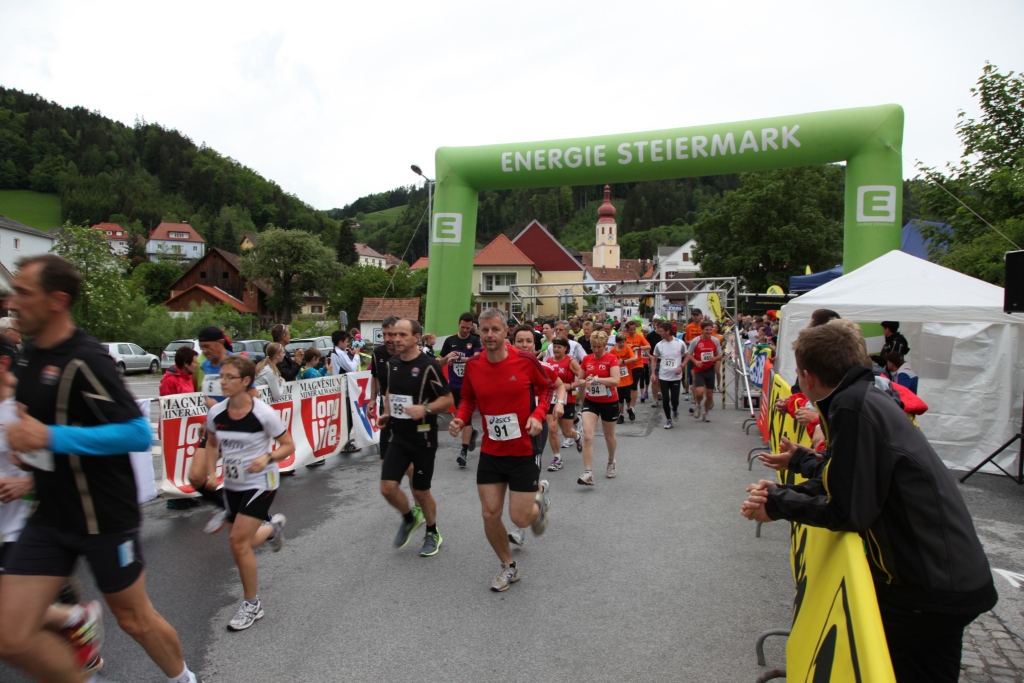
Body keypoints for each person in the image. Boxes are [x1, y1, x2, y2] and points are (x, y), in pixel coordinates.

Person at [742, 322, 996, 683]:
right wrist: (797, 467)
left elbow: (848, 509)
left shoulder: (851, 406)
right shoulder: (863, 395)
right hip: (948, 574)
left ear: (807, 377)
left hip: (926, 584)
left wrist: (778, 503)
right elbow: (847, 475)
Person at [0, 254, 201, 683]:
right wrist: (25, 451)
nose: (12, 301)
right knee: (10, 635)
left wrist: (48, 438)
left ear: (57, 300)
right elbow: (39, 424)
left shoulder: (87, 359)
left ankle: (184, 679)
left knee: (134, 619)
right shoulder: (29, 352)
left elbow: (136, 433)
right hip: (50, 513)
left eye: (23, 293)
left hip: (103, 516)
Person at [0, 333, 105, 675]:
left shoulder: (25, 404)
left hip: (24, 523)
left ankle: (72, 619)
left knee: (11, 623)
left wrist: (27, 483)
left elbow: (68, 463)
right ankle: (70, 625)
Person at [448, 308, 553, 592]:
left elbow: (547, 389)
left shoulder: (525, 360)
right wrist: (460, 418)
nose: (489, 335)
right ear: (479, 332)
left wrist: (538, 415)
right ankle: (509, 566)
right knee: (489, 514)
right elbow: (468, 399)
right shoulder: (474, 365)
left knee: (520, 518)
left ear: (506, 331)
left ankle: (539, 499)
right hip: (492, 451)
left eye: (495, 329)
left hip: (523, 450)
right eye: (484, 330)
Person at [205, 355, 293, 631]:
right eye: (221, 376)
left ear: (245, 381)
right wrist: (211, 473)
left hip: (262, 482)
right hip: (233, 483)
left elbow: (288, 445)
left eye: (229, 377)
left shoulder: (263, 413)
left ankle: (252, 604)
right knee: (245, 541)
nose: (223, 382)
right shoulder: (216, 413)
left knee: (237, 542)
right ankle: (272, 528)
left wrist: (267, 457)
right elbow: (211, 443)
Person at [378, 319, 453, 557]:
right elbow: (390, 391)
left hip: (423, 437)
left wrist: (425, 409)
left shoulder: (428, 365)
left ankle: (432, 531)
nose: (396, 339)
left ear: (416, 337)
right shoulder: (392, 363)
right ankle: (409, 518)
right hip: (398, 435)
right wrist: (387, 413)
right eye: (394, 335)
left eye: (402, 335)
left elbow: (448, 399)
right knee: (387, 488)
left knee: (421, 492)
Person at [577, 330, 621, 484]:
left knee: (609, 436)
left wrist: (597, 379)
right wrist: (586, 381)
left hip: (609, 402)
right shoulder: (586, 359)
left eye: (599, 347)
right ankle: (588, 473)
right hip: (591, 402)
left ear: (605, 345)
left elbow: (616, 380)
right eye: (593, 346)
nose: (595, 350)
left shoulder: (611, 359)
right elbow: (579, 380)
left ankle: (611, 461)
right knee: (588, 436)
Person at [438, 312, 481, 467]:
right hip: (454, 386)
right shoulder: (450, 341)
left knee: (466, 418)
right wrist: (448, 358)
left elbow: (476, 360)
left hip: (469, 386)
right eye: (463, 327)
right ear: (458, 324)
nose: (465, 330)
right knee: (461, 417)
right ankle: (472, 433)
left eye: (468, 328)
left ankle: (463, 452)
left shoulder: (474, 340)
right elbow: (441, 363)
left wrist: (460, 358)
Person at [545, 337, 583, 472]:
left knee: (567, 432)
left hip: (568, 399)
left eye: (559, 347)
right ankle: (557, 458)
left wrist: (570, 385)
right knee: (552, 429)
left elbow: (583, 379)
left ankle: (577, 436)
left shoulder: (570, 362)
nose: (556, 349)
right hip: (551, 399)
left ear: (566, 348)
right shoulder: (548, 362)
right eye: (554, 347)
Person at [684, 321, 723, 422]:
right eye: (707, 330)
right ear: (702, 330)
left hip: (710, 369)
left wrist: (715, 358)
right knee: (700, 392)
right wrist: (696, 362)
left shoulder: (715, 340)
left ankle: (706, 413)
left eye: (710, 330)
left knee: (709, 394)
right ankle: (698, 405)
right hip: (699, 369)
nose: (709, 332)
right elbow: (688, 354)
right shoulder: (696, 341)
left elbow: (720, 354)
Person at [652, 321, 685, 429]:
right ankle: (669, 420)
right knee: (665, 399)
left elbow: (687, 356)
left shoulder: (679, 343)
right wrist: (653, 373)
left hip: (676, 376)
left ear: (668, 331)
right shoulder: (659, 345)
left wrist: (681, 367)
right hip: (663, 376)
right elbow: (654, 359)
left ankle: (674, 409)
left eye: (661, 331)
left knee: (674, 400)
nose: (659, 333)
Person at [610, 333, 638, 424]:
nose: (622, 344)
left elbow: (634, 358)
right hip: (618, 378)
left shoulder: (627, 348)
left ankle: (629, 409)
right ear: (616, 342)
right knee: (620, 398)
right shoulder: (613, 350)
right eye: (620, 342)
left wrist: (623, 361)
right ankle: (621, 414)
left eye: (623, 342)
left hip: (627, 376)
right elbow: (610, 360)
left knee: (627, 396)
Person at [644, 321, 663, 407]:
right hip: (654, 360)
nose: (660, 330)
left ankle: (661, 393)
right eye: (659, 328)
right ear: (656, 326)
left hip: (664, 360)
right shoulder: (650, 336)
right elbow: (646, 347)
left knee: (662, 380)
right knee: (654, 379)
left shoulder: (665, 335)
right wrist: (650, 356)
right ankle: (655, 400)